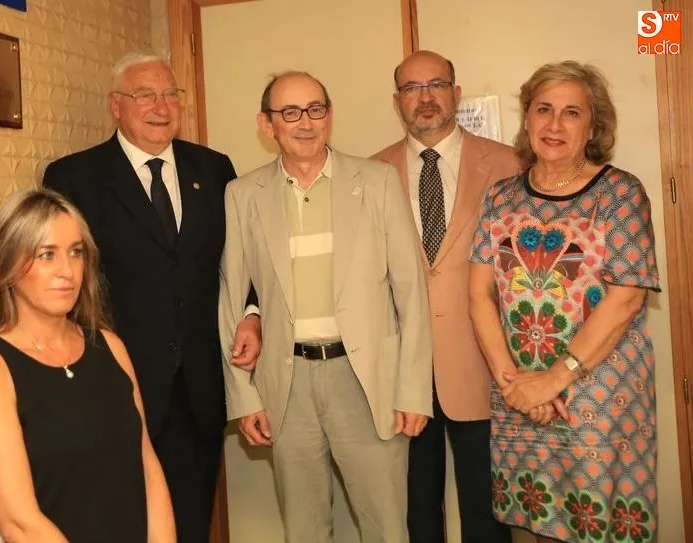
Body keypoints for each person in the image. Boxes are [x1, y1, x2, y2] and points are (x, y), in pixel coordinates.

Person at [42, 51, 260, 542]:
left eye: (170, 94)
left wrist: (251, 312)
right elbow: (63, 283)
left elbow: (244, 258)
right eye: (145, 95)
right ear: (115, 105)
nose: (161, 106)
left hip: (198, 388)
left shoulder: (215, 169)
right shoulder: (74, 177)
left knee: (191, 523)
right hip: (115, 387)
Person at [221, 70, 433, 542]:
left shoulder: (377, 181)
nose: (305, 123)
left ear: (329, 115)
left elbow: (411, 291)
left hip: (367, 382)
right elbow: (232, 296)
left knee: (386, 528)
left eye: (315, 109)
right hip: (287, 383)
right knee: (305, 528)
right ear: (267, 124)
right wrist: (244, 395)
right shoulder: (243, 194)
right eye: (290, 112)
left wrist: (414, 389)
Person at [469, 60, 659, 542]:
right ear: (527, 118)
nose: (554, 124)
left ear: (592, 127)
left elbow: (626, 299)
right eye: (543, 109)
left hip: (598, 402)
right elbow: (479, 296)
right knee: (531, 523)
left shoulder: (620, 194)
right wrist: (515, 385)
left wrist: (553, 381)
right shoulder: (499, 198)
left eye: (571, 112)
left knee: (595, 525)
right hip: (518, 396)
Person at [0, 189, 175, 543]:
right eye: (47, 255)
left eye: (76, 252)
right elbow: (19, 521)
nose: (67, 271)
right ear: (9, 265)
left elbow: (148, 468)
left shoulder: (110, 346)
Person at [371, 50, 518, 543]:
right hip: (402, 370)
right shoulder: (369, 174)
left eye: (436, 84)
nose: (425, 97)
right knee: (416, 509)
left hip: (484, 363)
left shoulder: (508, 165)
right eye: (412, 88)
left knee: (487, 510)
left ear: (456, 94)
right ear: (397, 101)